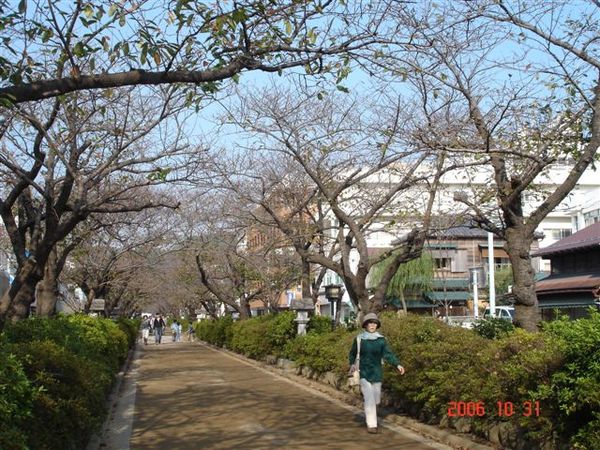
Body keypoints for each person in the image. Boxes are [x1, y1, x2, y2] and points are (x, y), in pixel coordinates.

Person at [348, 313, 405, 434]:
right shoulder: (359, 339)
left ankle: (372, 413)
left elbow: (388, 354)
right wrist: (352, 364)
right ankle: (372, 425)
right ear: (365, 325)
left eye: (374, 323)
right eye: (370, 323)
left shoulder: (381, 340)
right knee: (369, 398)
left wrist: (397, 364)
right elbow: (352, 353)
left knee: (376, 400)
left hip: (377, 373)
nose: (372, 325)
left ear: (377, 325)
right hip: (363, 372)